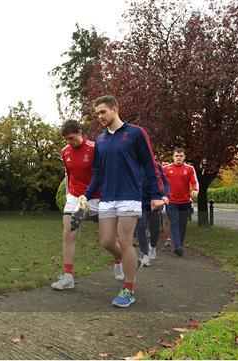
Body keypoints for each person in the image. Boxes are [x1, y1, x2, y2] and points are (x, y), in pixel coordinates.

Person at [79, 95, 164, 308]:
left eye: (103, 112)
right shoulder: (100, 140)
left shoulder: (135, 133)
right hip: (107, 198)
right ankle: (129, 261)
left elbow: (149, 165)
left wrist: (156, 194)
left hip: (129, 197)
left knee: (125, 240)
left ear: (115, 109)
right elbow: (97, 172)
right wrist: (86, 194)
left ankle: (128, 288)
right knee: (107, 241)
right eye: (97, 113)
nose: (99, 116)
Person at [52, 120, 117, 290]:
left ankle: (120, 260)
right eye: (66, 139)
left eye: (72, 138)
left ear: (80, 132)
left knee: (107, 242)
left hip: (97, 198)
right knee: (68, 233)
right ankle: (68, 276)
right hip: (74, 197)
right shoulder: (65, 152)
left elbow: (104, 175)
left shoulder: (96, 148)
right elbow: (69, 175)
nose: (69, 142)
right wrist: (69, 195)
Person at [163, 148, 199, 256]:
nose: (179, 157)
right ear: (173, 157)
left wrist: (195, 190)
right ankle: (177, 246)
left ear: (184, 157)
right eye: (177, 156)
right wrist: (164, 195)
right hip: (172, 202)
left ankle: (180, 245)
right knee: (174, 223)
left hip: (185, 202)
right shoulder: (166, 169)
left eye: (181, 156)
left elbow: (194, 181)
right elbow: (162, 184)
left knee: (182, 225)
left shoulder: (189, 169)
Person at [137, 161, 169, 265]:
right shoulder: (133, 162)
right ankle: (145, 254)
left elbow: (165, 182)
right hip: (139, 201)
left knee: (155, 228)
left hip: (154, 201)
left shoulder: (157, 166)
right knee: (141, 226)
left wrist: (165, 195)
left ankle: (153, 246)